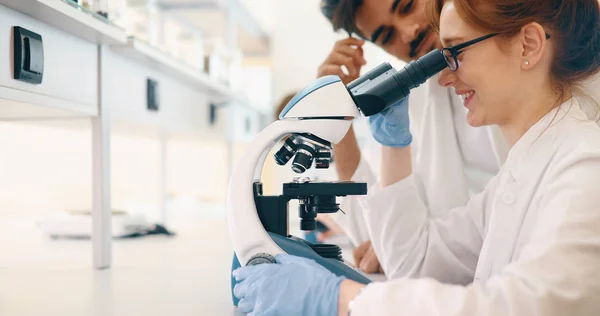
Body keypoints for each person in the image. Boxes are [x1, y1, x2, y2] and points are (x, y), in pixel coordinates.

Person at [233, 0, 600, 315]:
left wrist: (343, 300)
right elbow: (415, 260)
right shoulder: (523, 169)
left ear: (529, 45)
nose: (444, 76)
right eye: (387, 35)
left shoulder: (585, 164)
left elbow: (524, 307)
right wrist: (393, 142)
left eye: (456, 51)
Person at [317, 0, 511, 274]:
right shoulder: (417, 100)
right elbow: (376, 227)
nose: (408, 33)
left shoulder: (518, 59)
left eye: (407, 6)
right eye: (387, 36)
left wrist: (403, 247)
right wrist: (338, 115)